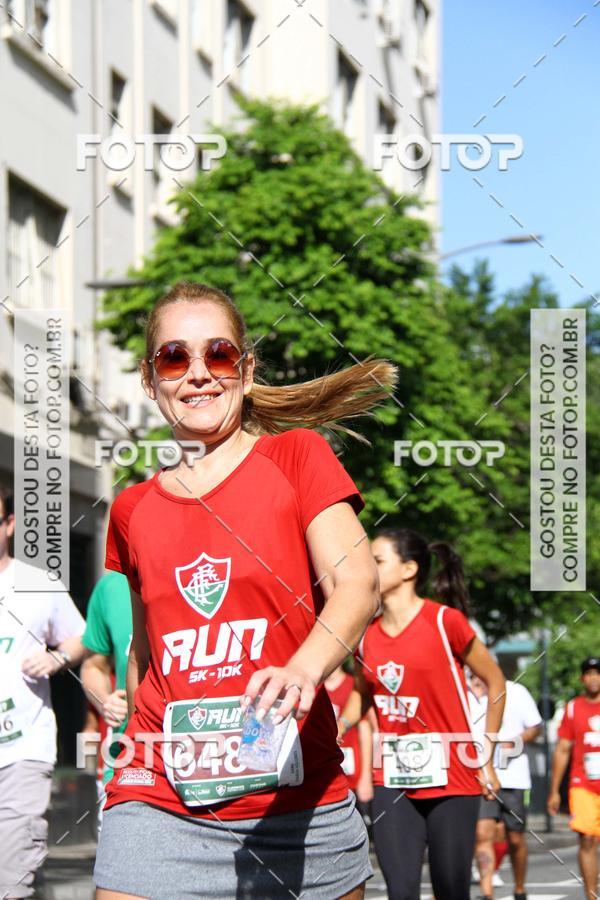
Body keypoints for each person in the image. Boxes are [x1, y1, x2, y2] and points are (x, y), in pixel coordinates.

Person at [92, 281, 394, 899]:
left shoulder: (297, 459)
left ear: (246, 370)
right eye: (175, 358)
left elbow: (356, 583)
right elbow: (143, 654)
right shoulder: (131, 509)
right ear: (152, 381)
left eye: (219, 355)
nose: (198, 374)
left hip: (295, 801)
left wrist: (304, 671)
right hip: (158, 795)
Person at [338, 528, 506, 900]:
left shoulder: (447, 622)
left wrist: (488, 754)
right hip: (392, 778)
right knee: (400, 891)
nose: (368, 568)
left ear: (410, 568)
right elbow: (362, 693)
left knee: (450, 890)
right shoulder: (365, 635)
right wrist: (341, 726)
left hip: (453, 775)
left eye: (378, 561)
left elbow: (496, 682)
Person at [0, 486, 86, 899]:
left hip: (21, 751)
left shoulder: (37, 583)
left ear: (9, 524)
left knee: (11, 878)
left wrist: (56, 659)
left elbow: (82, 637)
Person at [470, 673, 542, 900]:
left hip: (514, 778)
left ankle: (519, 888)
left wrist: (517, 741)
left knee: (515, 838)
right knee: (483, 834)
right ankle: (487, 893)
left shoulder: (517, 691)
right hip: (481, 777)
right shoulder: (465, 692)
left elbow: (535, 727)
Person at [81, 571, 132, 820]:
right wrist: (104, 700)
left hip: (198, 757)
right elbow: (93, 666)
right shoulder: (111, 586)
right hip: (126, 759)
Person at [548, 656, 600, 900]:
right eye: (589, 673)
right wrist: (554, 790)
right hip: (583, 784)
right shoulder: (572, 708)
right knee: (588, 838)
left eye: (598, 673)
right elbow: (562, 749)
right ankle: (592, 897)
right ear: (582, 678)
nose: (594, 678)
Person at [325, 664, 374, 808]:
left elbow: (365, 730)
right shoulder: (315, 689)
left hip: (355, 776)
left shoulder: (354, 687)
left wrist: (366, 776)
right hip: (330, 777)